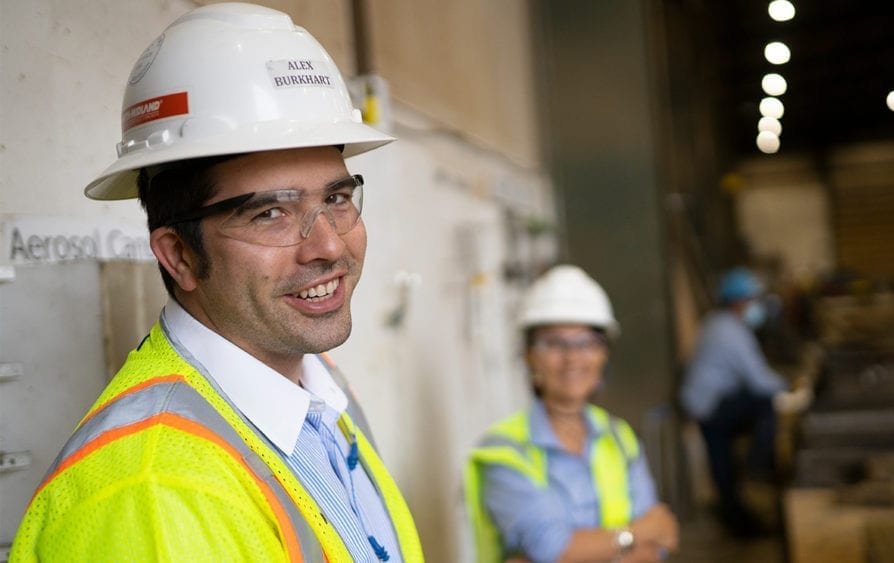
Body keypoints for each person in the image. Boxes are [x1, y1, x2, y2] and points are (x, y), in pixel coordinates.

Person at [11, 4, 422, 561]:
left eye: (337, 198)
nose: (328, 246)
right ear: (178, 255)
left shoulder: (320, 387)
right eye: (269, 214)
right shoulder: (152, 491)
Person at [465, 265, 679, 563]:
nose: (572, 358)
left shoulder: (619, 437)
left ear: (604, 353)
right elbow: (553, 549)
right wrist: (634, 536)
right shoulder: (503, 450)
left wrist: (576, 552)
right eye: (554, 343)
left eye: (586, 342)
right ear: (529, 355)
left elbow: (660, 541)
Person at [679, 268, 810, 537]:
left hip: (707, 403)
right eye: (752, 300)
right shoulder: (731, 331)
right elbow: (759, 380)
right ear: (739, 302)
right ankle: (758, 468)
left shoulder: (718, 323)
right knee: (764, 403)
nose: (756, 306)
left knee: (723, 464)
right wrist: (790, 386)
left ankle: (736, 515)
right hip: (710, 406)